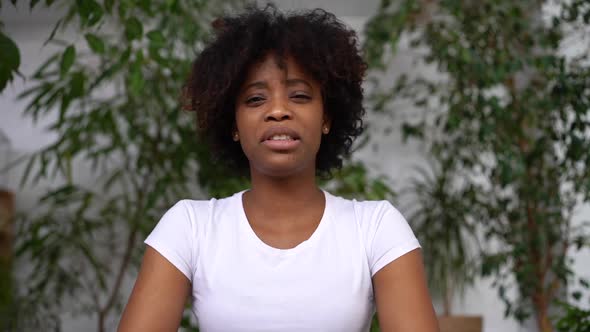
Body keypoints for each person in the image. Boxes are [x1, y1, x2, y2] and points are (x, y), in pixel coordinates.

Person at [118, 5, 438, 332]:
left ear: (327, 117)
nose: (278, 111)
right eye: (256, 99)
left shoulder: (375, 229)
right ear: (233, 124)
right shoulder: (189, 228)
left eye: (299, 95)